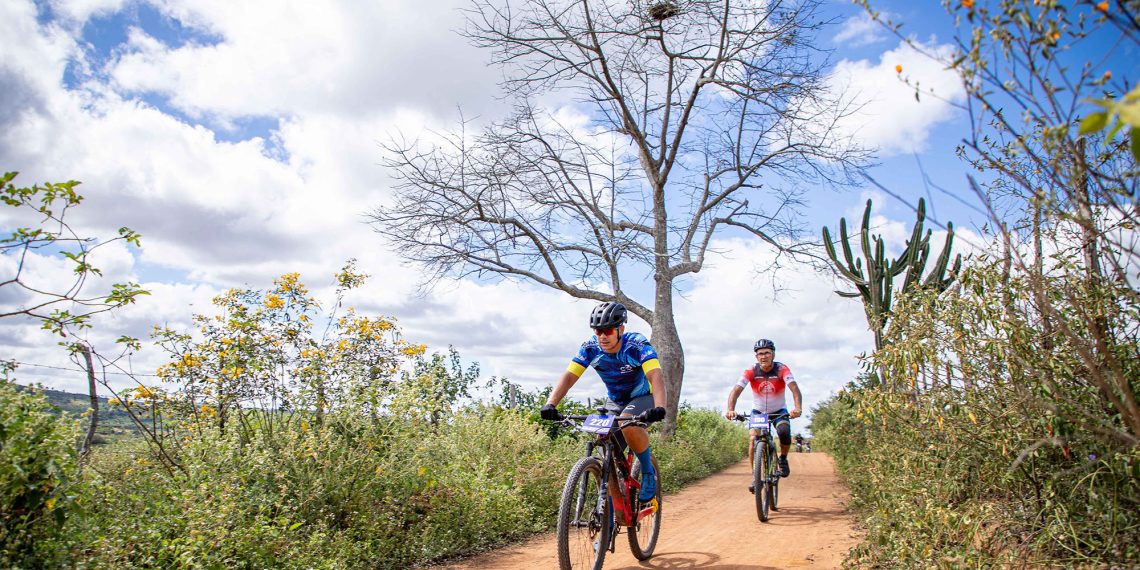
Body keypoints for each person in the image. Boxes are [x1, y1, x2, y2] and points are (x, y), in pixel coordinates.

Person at [540, 301, 668, 504]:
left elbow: (655, 376)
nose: (602, 336)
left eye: (607, 330)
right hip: (615, 401)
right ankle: (610, 515)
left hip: (644, 397)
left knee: (628, 421)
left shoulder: (636, 344)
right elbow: (569, 376)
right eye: (598, 331)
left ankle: (647, 471)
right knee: (605, 445)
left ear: (620, 330)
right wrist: (551, 404)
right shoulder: (590, 347)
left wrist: (660, 407)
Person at [724, 338, 802, 489]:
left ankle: (783, 459)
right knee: (753, 439)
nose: (764, 356)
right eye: (760, 353)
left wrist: (797, 407)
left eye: (767, 353)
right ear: (756, 356)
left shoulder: (781, 369)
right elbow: (735, 391)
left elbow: (795, 389)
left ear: (773, 354)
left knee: (784, 431)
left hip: (779, 410)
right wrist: (730, 409)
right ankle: (755, 477)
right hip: (759, 411)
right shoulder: (751, 371)